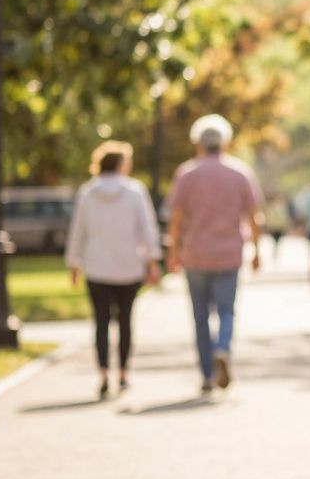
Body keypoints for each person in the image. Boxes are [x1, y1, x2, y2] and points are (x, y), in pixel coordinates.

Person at [167, 114, 263, 394]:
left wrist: (173, 252)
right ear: (226, 142)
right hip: (229, 254)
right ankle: (223, 347)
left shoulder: (186, 174)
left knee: (200, 317)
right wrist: (257, 250)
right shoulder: (240, 173)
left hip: (195, 254)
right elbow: (253, 215)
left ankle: (207, 375)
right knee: (226, 311)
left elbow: (176, 218)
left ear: (197, 142)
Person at [64, 141, 161, 399]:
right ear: (121, 164)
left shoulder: (87, 192)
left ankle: (104, 372)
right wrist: (152, 261)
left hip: (97, 266)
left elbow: (78, 230)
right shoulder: (135, 191)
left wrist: (74, 262)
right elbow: (147, 228)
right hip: (129, 266)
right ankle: (124, 373)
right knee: (126, 321)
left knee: (101, 322)